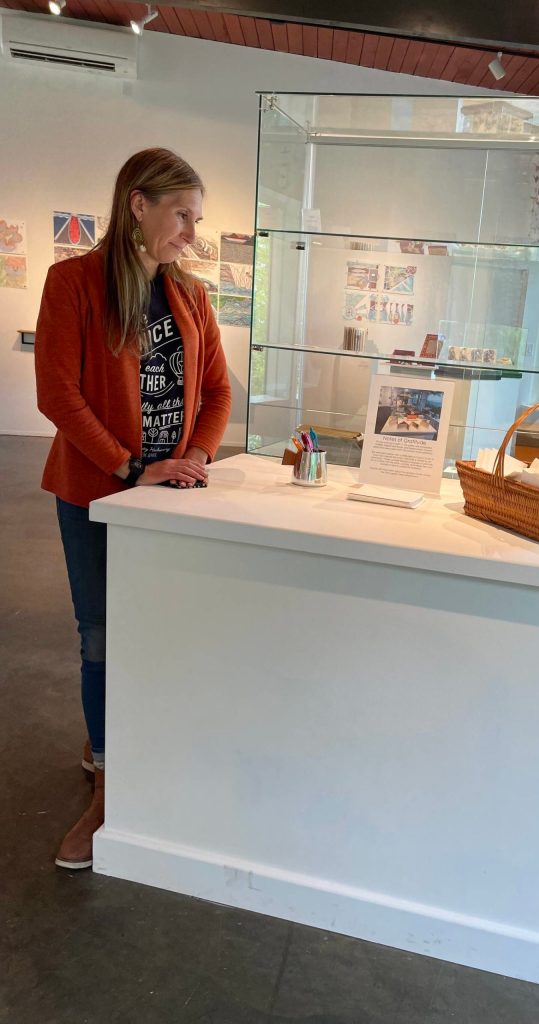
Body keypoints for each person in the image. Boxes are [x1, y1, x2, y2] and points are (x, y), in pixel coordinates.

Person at [35, 149, 232, 870]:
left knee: (158, 632)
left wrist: (196, 457)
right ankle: (110, 785)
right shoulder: (73, 283)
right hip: (96, 493)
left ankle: (130, 746)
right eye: (182, 214)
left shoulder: (192, 296)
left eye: (196, 218)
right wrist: (130, 467)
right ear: (138, 205)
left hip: (170, 499)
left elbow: (217, 391)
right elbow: (57, 394)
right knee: (101, 636)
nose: (191, 232)